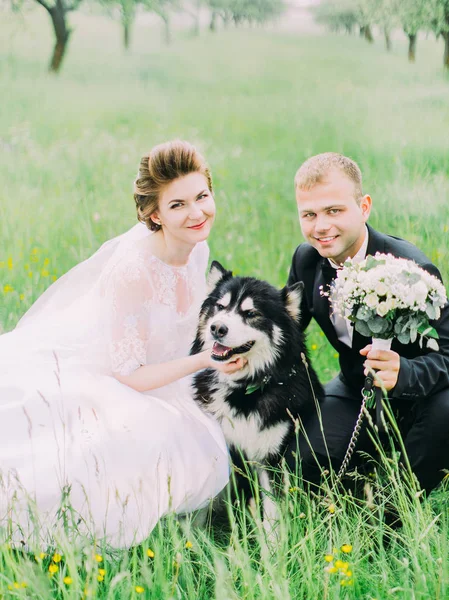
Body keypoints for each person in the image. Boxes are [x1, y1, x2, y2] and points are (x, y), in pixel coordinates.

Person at [0, 140, 245, 548]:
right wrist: (208, 359)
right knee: (123, 444)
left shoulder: (197, 247)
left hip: (162, 374)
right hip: (116, 377)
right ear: (154, 214)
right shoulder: (134, 271)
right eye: (178, 205)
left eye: (202, 196)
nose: (197, 212)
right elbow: (130, 374)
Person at [286, 152, 449, 494]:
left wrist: (404, 373)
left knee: (407, 483)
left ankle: (398, 498)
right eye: (309, 214)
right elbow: (287, 330)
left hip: (422, 399)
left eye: (334, 210)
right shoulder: (306, 260)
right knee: (303, 465)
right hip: (354, 386)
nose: (321, 226)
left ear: (364, 207)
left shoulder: (411, 269)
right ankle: (360, 455)